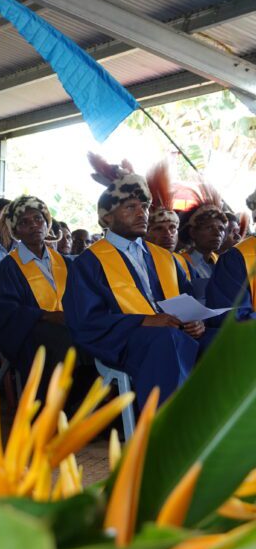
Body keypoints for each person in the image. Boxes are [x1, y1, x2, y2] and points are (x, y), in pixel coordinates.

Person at [65, 154, 210, 410]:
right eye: (130, 207)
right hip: (122, 339)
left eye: (144, 207)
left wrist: (195, 321)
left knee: (231, 337)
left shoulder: (165, 258)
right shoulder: (89, 263)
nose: (142, 213)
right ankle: (166, 433)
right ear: (106, 218)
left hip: (172, 333)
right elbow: (85, 321)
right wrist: (143, 320)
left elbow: (186, 301)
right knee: (166, 339)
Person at [0, 196, 79, 388]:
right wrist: (46, 316)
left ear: (47, 223)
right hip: (29, 335)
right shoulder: (5, 270)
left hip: (71, 326)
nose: (34, 225)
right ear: (16, 231)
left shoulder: (66, 263)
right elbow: (2, 314)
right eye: (24, 222)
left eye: (38, 219)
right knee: (63, 341)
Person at [178, 184, 227, 304]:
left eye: (221, 229)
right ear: (193, 232)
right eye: (209, 227)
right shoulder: (178, 262)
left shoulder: (221, 262)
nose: (217, 233)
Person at [145, 161, 189, 278]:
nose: (167, 234)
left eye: (172, 228)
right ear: (145, 234)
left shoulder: (184, 263)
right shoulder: (140, 265)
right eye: (159, 228)